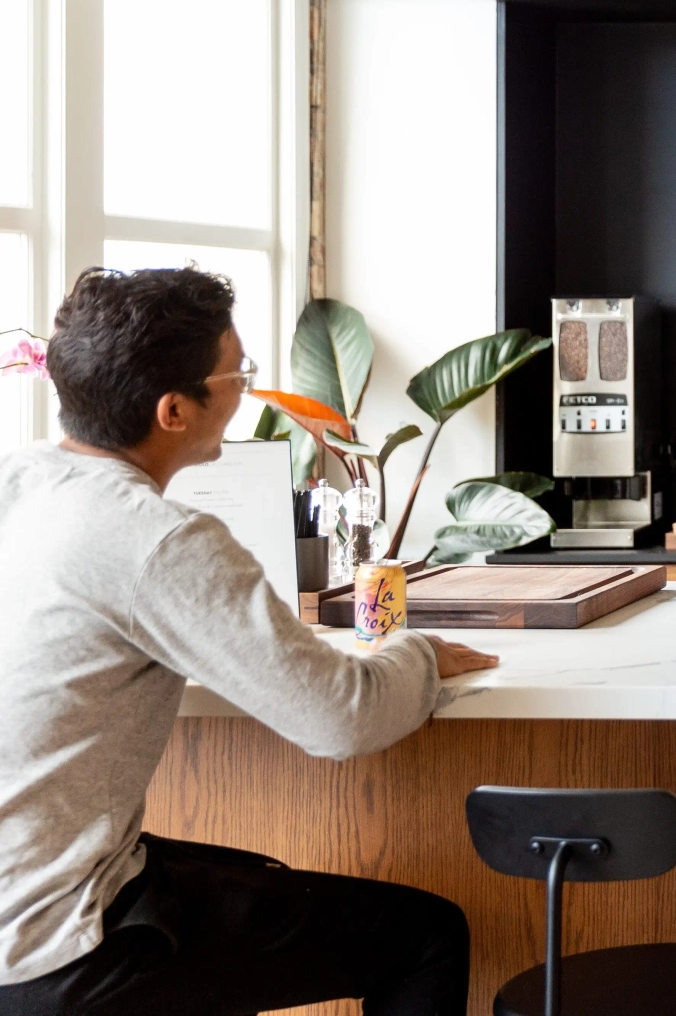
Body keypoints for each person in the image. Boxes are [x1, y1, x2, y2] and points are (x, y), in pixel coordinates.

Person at [0, 267, 498, 1016]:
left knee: (250, 871)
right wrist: (420, 656)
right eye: (238, 373)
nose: (246, 388)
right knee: (426, 934)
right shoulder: (156, 539)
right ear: (173, 410)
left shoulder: (18, 480)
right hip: (53, 950)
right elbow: (342, 719)